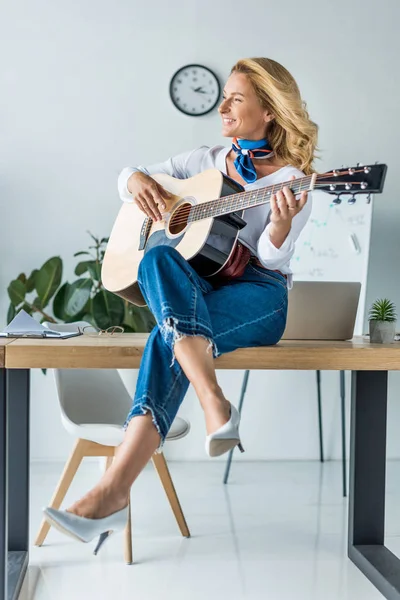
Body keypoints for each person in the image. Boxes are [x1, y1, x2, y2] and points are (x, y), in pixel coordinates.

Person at [43, 57, 318, 552]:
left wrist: (276, 226)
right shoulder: (204, 160)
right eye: (224, 97)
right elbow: (130, 175)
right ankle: (209, 400)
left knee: (165, 334)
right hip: (201, 293)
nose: (223, 107)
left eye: (236, 98)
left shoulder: (293, 179)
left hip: (259, 293)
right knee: (156, 258)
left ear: (270, 111)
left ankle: (112, 490)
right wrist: (138, 184)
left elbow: (275, 256)